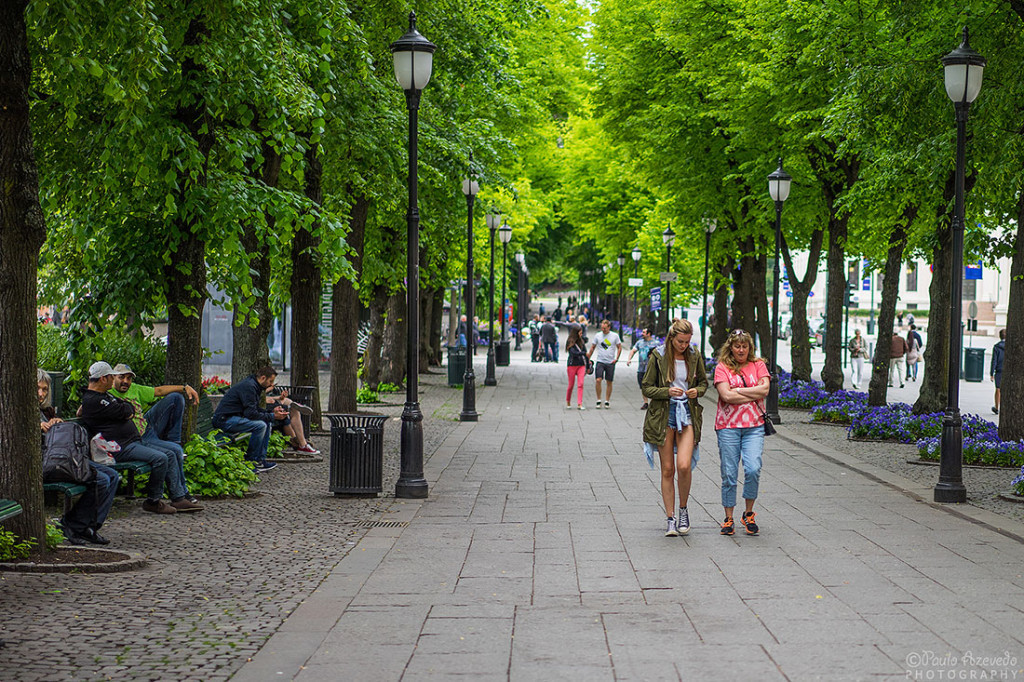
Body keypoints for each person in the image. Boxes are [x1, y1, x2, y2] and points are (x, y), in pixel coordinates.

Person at [79, 362, 199, 514]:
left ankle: (179, 498)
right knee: (161, 458)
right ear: (104, 379)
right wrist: (125, 409)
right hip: (120, 447)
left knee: (170, 452)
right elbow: (127, 411)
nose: (118, 380)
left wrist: (125, 409)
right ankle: (153, 501)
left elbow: (128, 408)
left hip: (132, 441)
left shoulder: (104, 396)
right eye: (113, 377)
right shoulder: (97, 400)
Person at [38, 369, 120, 545]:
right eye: (38, 389)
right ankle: (74, 524)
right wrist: (38, 426)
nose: (41, 394)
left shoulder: (47, 411)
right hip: (47, 464)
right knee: (102, 480)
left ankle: (89, 526)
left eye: (45, 390)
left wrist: (56, 423)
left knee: (112, 476)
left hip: (62, 460)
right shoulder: (23, 412)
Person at [642, 320, 706, 536]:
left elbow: (704, 383)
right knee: (668, 469)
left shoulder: (694, 355)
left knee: (684, 466)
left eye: (687, 342)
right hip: (663, 415)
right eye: (680, 341)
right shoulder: (658, 356)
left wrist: (697, 390)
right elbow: (647, 387)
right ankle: (670, 518)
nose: (684, 345)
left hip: (687, 414)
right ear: (672, 338)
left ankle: (683, 509)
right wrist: (666, 392)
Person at [713, 329, 770, 537]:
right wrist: (750, 391)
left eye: (744, 346)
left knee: (753, 468)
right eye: (737, 346)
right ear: (731, 348)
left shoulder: (758, 365)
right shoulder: (722, 368)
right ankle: (728, 516)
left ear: (750, 348)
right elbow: (726, 396)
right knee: (729, 473)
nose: (741, 350)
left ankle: (748, 513)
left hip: (754, 426)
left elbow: (765, 391)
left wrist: (738, 391)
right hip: (728, 427)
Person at [212, 365, 289, 471]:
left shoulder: (254, 385)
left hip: (232, 418)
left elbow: (254, 409)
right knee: (260, 425)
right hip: (224, 420)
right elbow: (251, 414)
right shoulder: (249, 386)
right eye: (270, 381)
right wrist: (273, 416)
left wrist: (271, 412)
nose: (271, 385)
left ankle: (260, 460)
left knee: (266, 422)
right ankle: (251, 461)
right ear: (263, 378)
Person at [265, 388, 319, 454]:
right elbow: (256, 398)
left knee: (291, 406)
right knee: (290, 409)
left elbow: (265, 396)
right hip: (262, 407)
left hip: (269, 403)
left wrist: (279, 397)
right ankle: (301, 444)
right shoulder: (252, 384)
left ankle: (301, 443)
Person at [587, 319, 622, 409]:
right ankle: (598, 399)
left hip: (610, 362)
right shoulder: (598, 336)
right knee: (598, 380)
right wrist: (588, 359)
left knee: (609, 381)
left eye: (605, 328)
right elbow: (592, 347)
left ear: (609, 327)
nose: (603, 330)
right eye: (602, 328)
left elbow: (619, 347)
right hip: (600, 361)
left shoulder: (614, 336)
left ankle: (607, 400)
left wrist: (616, 358)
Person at [627, 327, 658, 409]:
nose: (642, 334)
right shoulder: (639, 342)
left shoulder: (656, 343)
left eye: (644, 332)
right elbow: (633, 350)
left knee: (652, 386)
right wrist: (629, 359)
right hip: (641, 368)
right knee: (643, 386)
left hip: (652, 369)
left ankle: (653, 402)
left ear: (649, 334)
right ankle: (645, 402)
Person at [565, 325, 588, 410]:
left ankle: (579, 403)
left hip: (581, 365)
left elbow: (585, 353)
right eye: (580, 332)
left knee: (580, 384)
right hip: (572, 365)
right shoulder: (570, 342)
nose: (581, 334)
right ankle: (568, 400)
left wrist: (588, 365)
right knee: (571, 385)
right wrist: (582, 353)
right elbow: (572, 353)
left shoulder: (581, 342)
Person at [992, 329, 1005, 414]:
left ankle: (997, 407)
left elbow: (994, 360)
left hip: (999, 370)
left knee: (998, 389)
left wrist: (991, 373)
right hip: (1008, 370)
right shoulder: (1011, 346)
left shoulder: (997, 347)